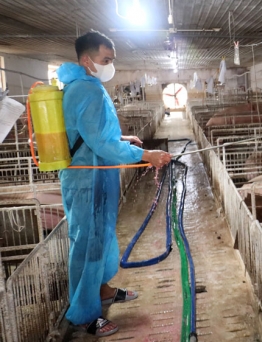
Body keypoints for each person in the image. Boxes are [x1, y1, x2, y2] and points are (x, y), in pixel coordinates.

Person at [56, 30, 172, 337]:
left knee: (102, 236)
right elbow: (101, 143)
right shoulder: (88, 91)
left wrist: (122, 138)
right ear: (86, 59)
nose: (110, 65)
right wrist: (146, 153)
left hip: (94, 172)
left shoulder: (84, 86)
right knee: (88, 243)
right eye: (106, 59)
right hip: (87, 177)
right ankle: (83, 314)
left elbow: (89, 132)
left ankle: (103, 289)